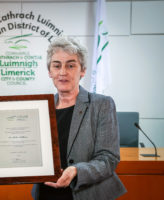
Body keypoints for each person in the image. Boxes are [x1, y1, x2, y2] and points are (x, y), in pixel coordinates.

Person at [32, 37, 126, 200]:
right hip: (46, 193)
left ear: (82, 70)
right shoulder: (40, 108)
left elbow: (108, 159)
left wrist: (76, 171)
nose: (63, 72)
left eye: (70, 65)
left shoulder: (102, 104)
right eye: (56, 65)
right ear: (49, 71)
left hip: (86, 193)